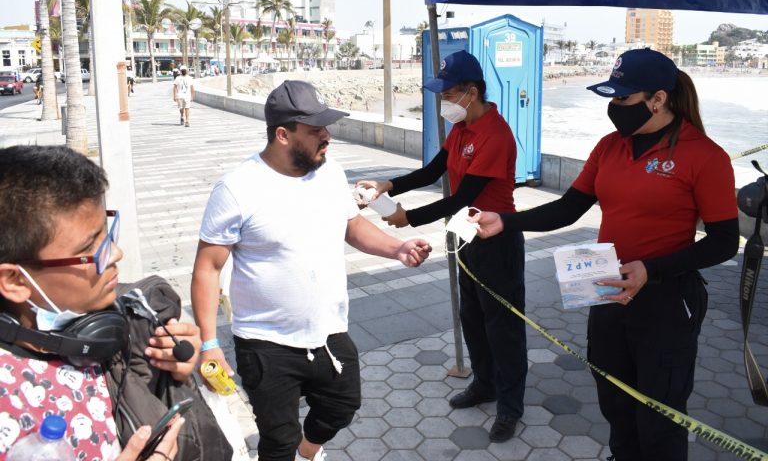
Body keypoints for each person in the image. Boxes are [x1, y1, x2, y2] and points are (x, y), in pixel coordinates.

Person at [470, 48, 739, 461]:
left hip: (667, 302)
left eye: (623, 98)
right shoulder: (609, 147)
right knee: (614, 400)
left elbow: (723, 241)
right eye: (611, 98)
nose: (614, 108)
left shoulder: (705, 155)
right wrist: (506, 220)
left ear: (658, 98)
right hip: (608, 292)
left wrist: (652, 269)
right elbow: (567, 207)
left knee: (660, 414)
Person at [190, 80, 432, 461]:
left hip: (328, 331)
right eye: (316, 130)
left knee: (342, 405)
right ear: (283, 134)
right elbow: (208, 267)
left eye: (326, 128)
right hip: (265, 341)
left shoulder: (330, 173)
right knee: (277, 441)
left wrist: (397, 248)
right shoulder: (237, 189)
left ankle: (309, 451)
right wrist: (209, 343)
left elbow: (352, 225)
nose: (328, 136)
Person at [0, 145, 232, 460]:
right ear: (15, 281)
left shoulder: (127, 320)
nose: (116, 254)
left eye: (106, 235)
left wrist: (174, 375)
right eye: (90, 250)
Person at [356, 50, 526, 443]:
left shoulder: (495, 135)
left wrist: (408, 219)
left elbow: (461, 196)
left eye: (447, 93)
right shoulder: (461, 128)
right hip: (466, 237)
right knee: (473, 317)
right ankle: (484, 382)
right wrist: (389, 185)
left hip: (497, 238)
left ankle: (509, 406)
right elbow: (434, 171)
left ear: (471, 91)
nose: (442, 101)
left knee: (504, 328)